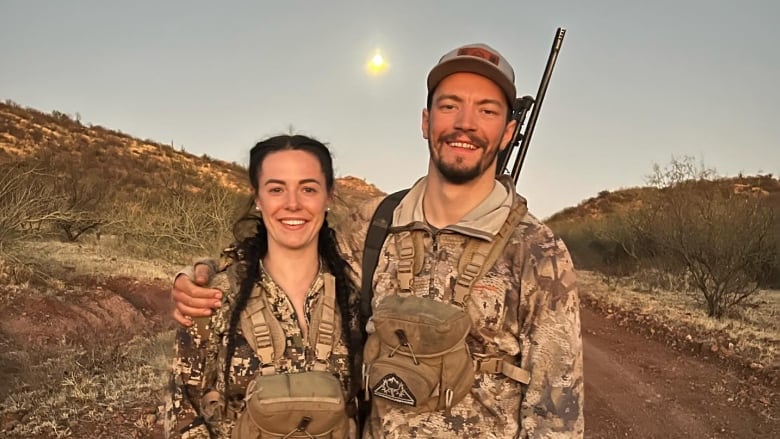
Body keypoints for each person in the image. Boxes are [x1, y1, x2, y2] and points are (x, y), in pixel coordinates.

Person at [172, 43, 584, 438]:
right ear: (426, 121)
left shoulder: (538, 252)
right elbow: (289, 244)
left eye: (487, 110)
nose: (465, 123)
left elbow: (557, 413)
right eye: (450, 105)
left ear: (509, 130)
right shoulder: (374, 224)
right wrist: (203, 275)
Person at [164, 135, 359, 438]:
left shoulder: (355, 294)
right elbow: (182, 410)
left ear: (329, 197)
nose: (292, 204)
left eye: (308, 189)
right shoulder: (214, 297)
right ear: (257, 197)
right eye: (276, 189)